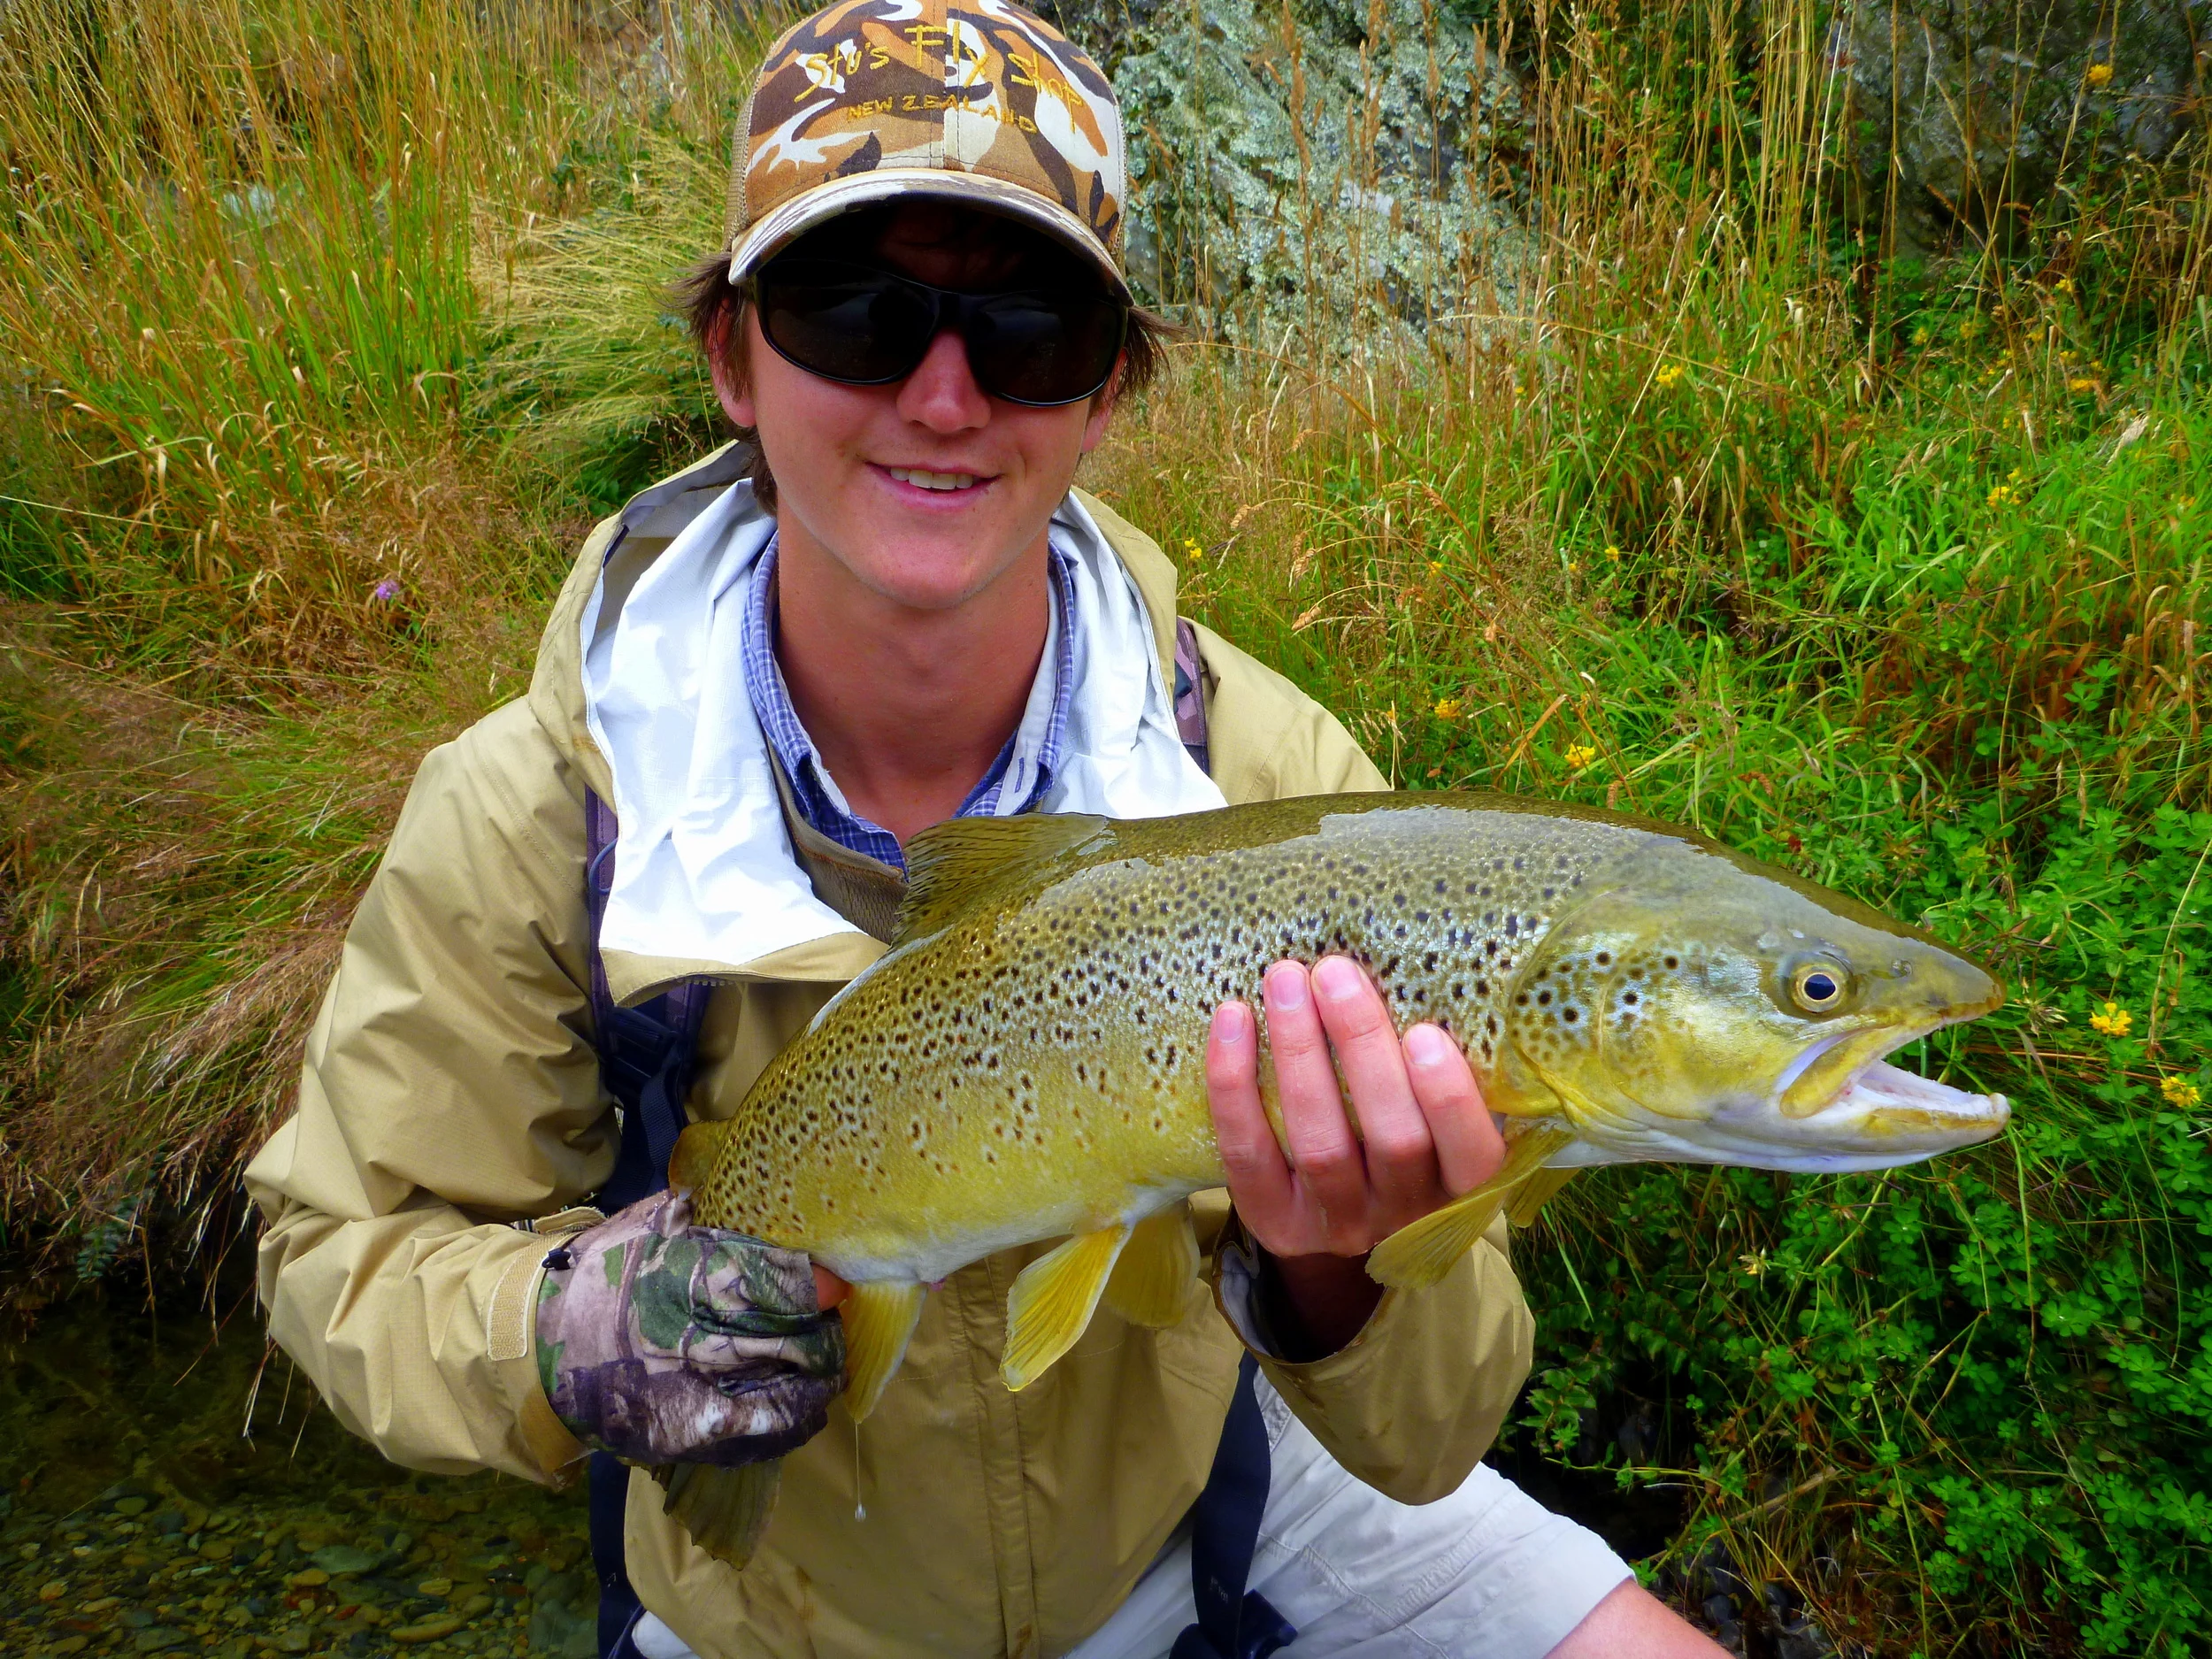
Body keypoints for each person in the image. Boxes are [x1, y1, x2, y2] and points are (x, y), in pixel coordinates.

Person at [245, 3, 1725, 1655]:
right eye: (854, 311)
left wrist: (1348, 1281)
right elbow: (342, 1256)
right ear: (733, 360)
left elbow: (1429, 1432)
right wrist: (564, 1325)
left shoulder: (1259, 771)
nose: (943, 394)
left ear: (1103, 394)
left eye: (1027, 325)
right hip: (781, 1606)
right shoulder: (536, 812)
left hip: (1228, 1496)